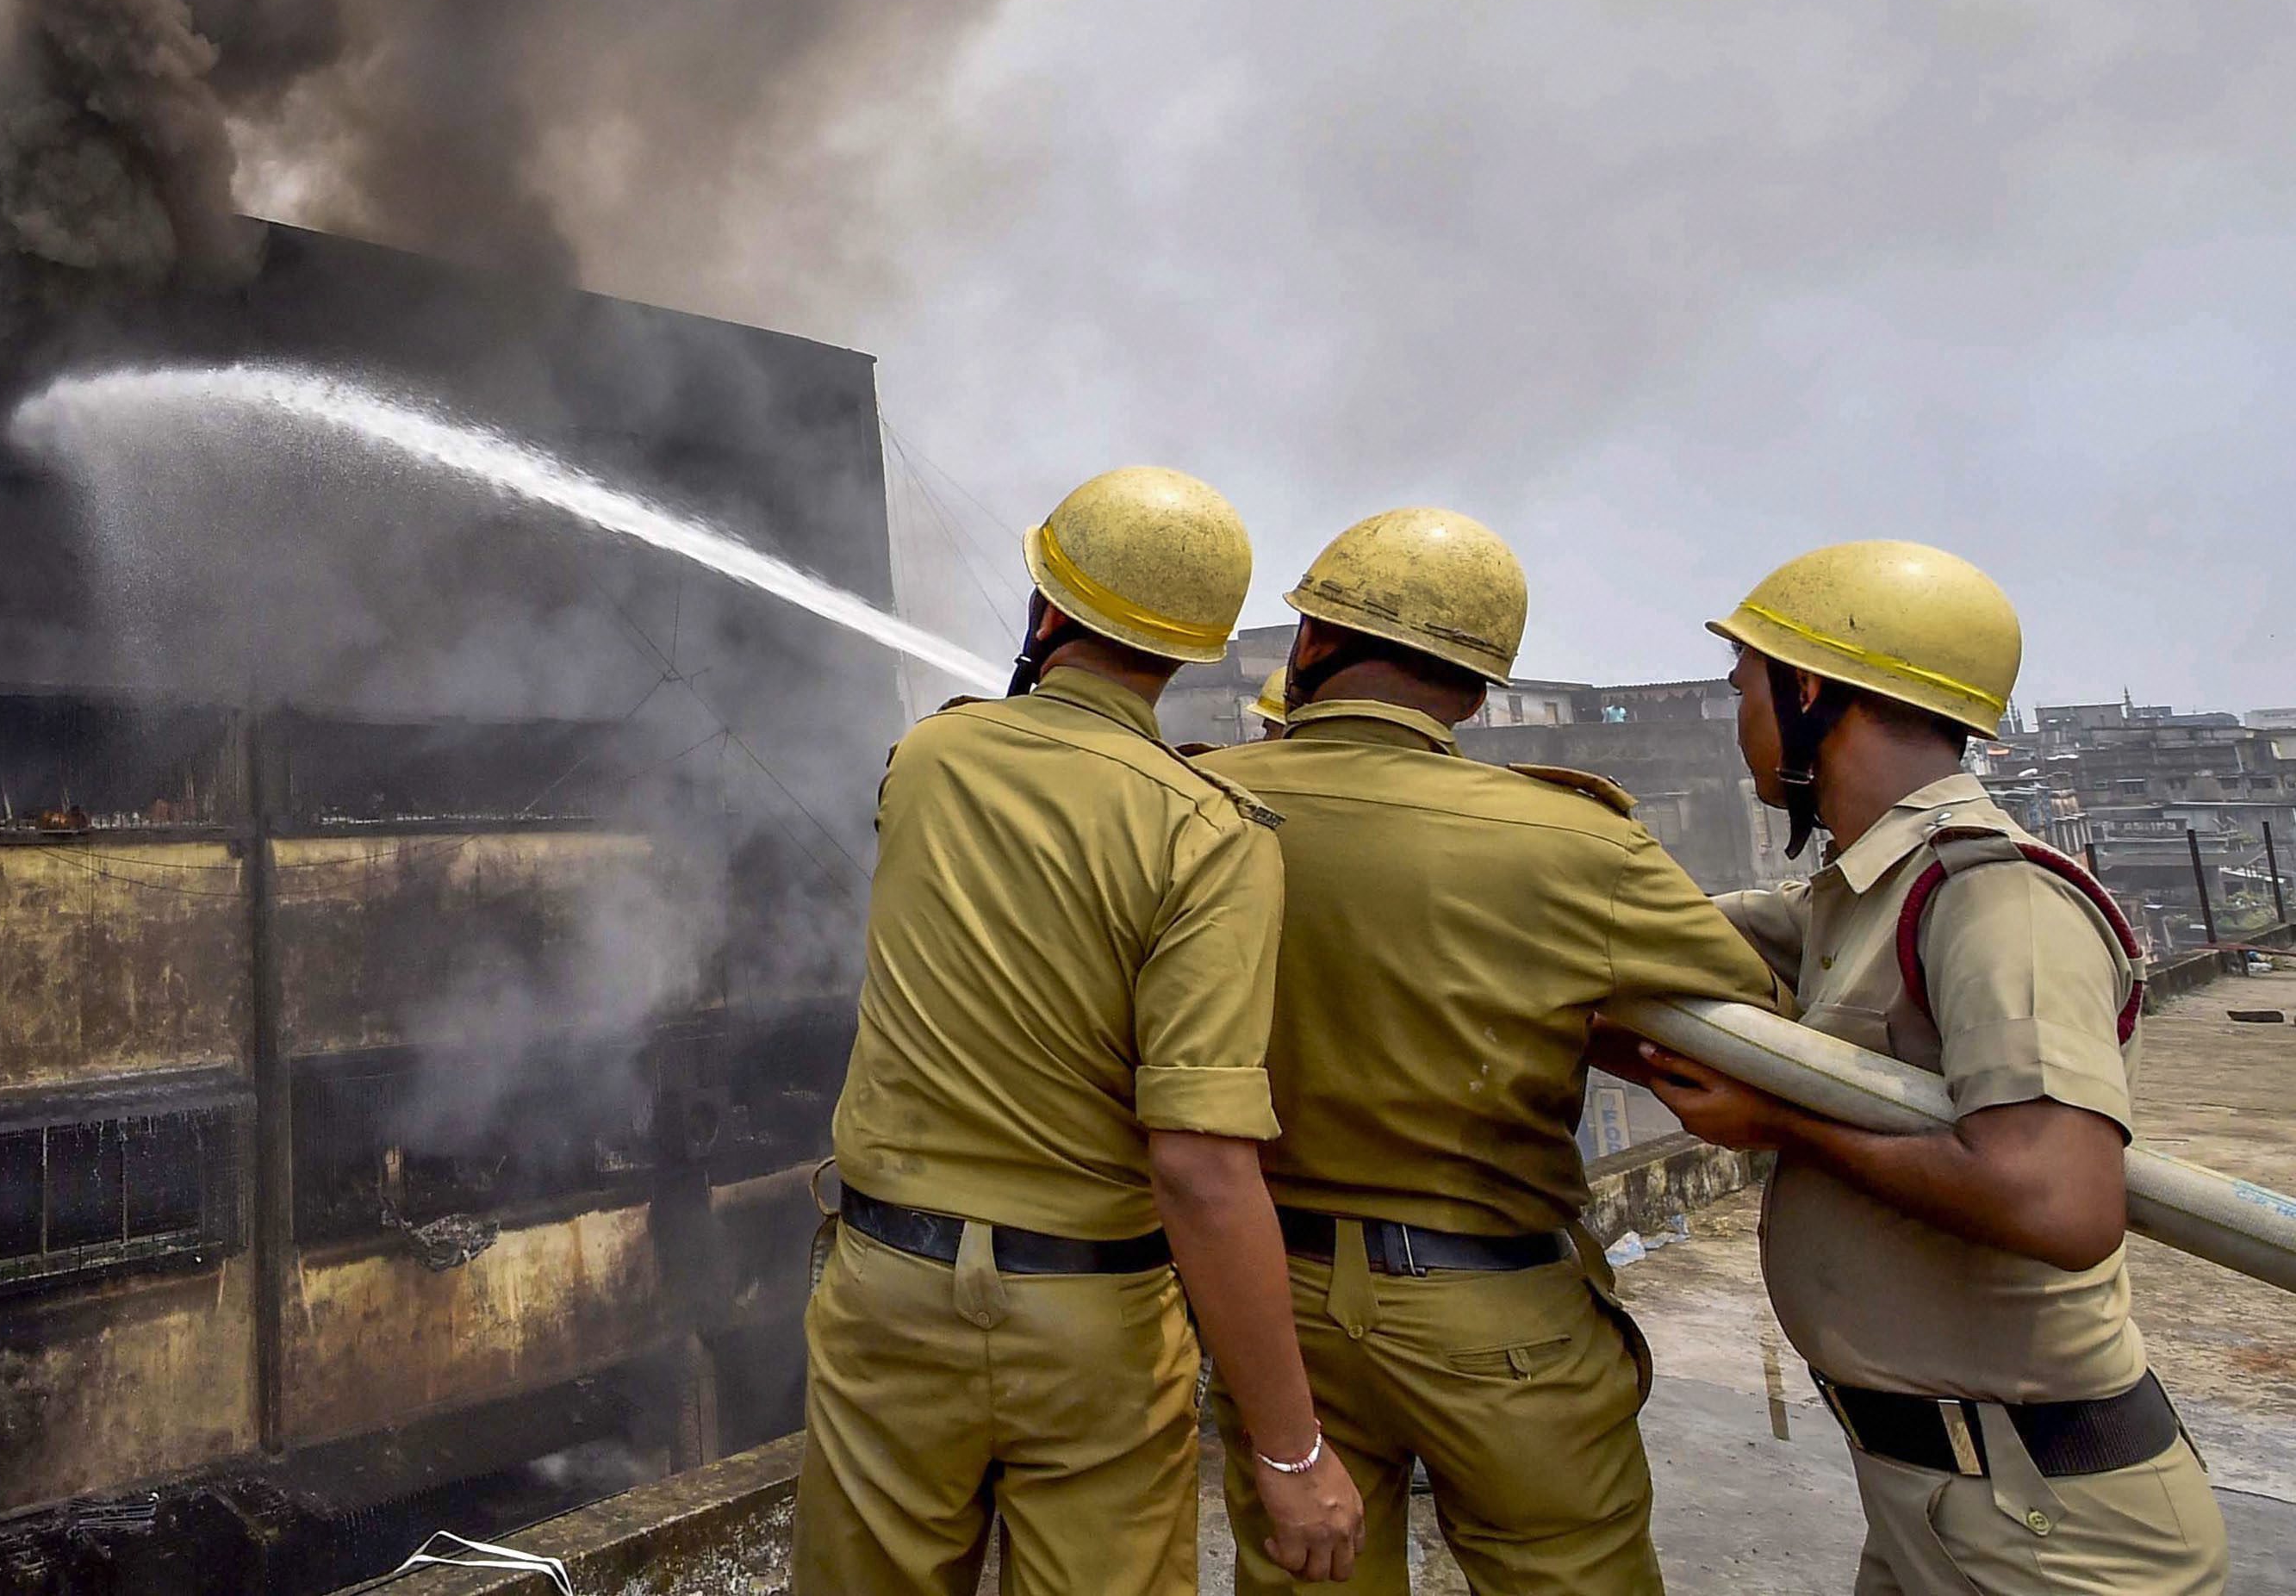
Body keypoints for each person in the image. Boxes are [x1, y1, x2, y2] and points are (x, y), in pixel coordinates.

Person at [1621, 542, 2228, 1595]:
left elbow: (2058, 1200)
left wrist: (1782, 1124)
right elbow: (1628, 958)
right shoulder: (1853, 899)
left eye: (1748, 691)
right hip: (1938, 1494)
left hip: (2046, 1521)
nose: (1741, 727)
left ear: (1809, 692)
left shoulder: (1999, 899)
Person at [1193, 509, 1782, 1594]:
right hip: (1498, 1310)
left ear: (1311, 647)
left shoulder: (1190, 805)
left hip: (1275, 1306)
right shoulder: (1576, 840)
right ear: (1476, 692)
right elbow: (1760, 1023)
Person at [800, 466, 1365, 1595]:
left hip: (885, 1291)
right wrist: (1291, 1447)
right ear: (1191, 647)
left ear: (1046, 607)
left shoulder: (928, 758)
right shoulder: (1209, 833)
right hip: (1089, 1319)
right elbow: (1203, 1162)